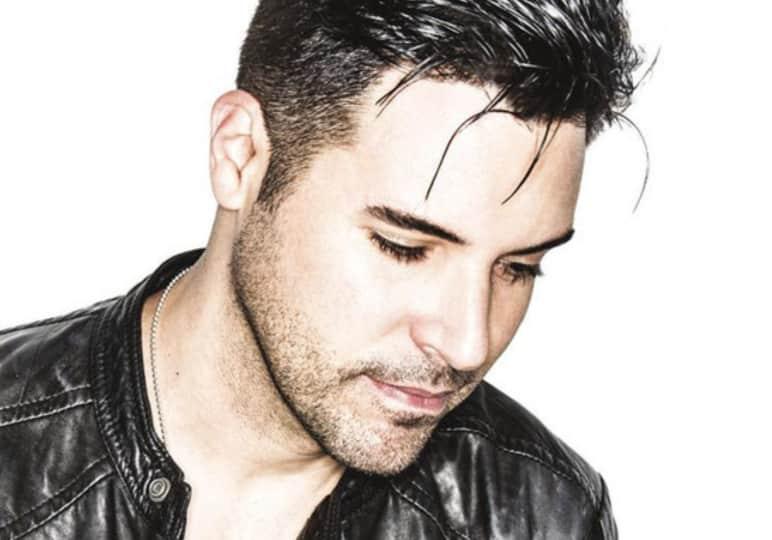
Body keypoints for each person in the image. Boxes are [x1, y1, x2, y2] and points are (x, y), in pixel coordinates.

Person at [0, 0, 640, 538]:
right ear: (240, 156)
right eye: (402, 247)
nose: (468, 344)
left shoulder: (543, 516)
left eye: (519, 267)